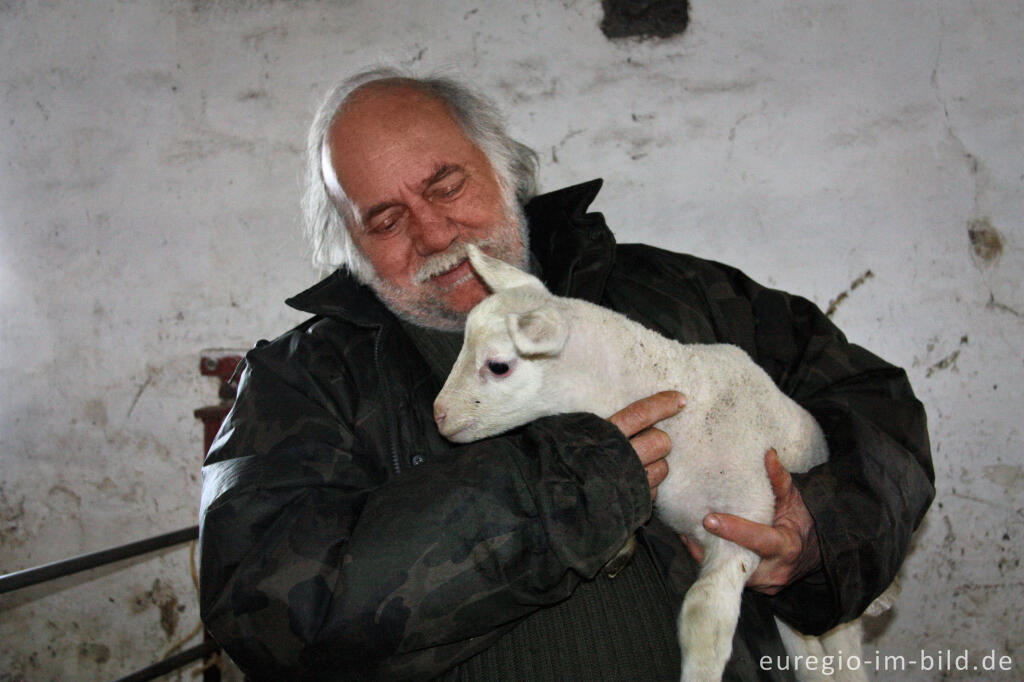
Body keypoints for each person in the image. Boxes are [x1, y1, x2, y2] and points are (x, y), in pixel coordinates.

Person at [198, 68, 934, 681]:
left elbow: (872, 403)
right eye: (385, 220)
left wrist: (816, 530)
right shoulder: (304, 383)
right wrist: (553, 494)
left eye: (447, 185)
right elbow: (268, 611)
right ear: (349, 247)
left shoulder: (673, 295)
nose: (433, 233)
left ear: (504, 167)